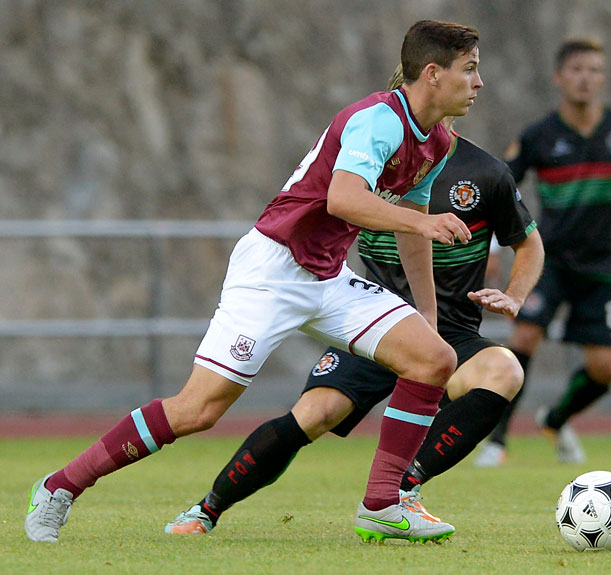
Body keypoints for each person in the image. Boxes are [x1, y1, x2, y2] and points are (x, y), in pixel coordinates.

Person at [25, 20, 483, 544]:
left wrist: (426, 312)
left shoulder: (439, 143)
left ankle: (381, 504)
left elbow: (414, 230)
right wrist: (420, 221)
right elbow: (344, 199)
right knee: (198, 410)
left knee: (433, 358)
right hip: (272, 269)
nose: (478, 82)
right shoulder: (377, 120)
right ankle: (60, 486)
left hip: (328, 275)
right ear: (432, 73)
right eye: (469, 69)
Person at [163, 64, 544, 542]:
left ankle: (399, 490)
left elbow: (529, 244)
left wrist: (514, 295)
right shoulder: (369, 161)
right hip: (367, 320)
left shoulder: (485, 172)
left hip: (450, 330)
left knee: (504, 371)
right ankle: (207, 509)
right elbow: (331, 207)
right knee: (312, 416)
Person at [474, 37, 611, 467]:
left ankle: (554, 419)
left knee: (606, 368)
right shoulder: (539, 135)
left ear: (602, 78)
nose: (584, 78)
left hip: (600, 265)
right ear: (559, 78)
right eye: (575, 69)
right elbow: (501, 185)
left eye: (593, 70)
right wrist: (496, 245)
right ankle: (496, 442)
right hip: (548, 262)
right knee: (524, 337)